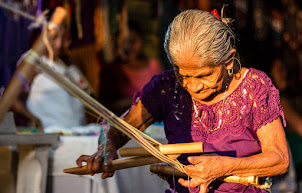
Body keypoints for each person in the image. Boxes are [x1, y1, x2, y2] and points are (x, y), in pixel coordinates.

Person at [76, 9, 289, 193]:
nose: (192, 86)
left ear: (229, 61)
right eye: (183, 74)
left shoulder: (253, 87)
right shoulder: (167, 88)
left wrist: (224, 166)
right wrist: (107, 147)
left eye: (205, 75)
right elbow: (119, 129)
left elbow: (279, 158)